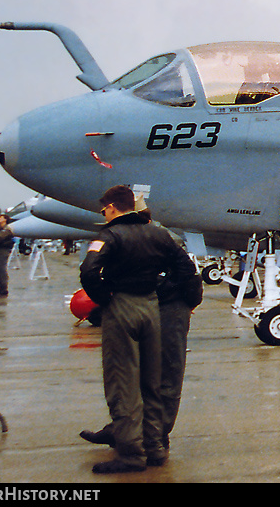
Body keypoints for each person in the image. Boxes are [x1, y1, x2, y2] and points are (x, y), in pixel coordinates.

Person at [79, 185, 198, 474]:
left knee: (138, 379)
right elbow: (187, 269)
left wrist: (107, 296)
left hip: (158, 306)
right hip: (152, 305)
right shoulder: (158, 234)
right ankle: (140, 440)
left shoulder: (120, 234)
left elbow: (89, 271)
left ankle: (143, 446)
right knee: (148, 379)